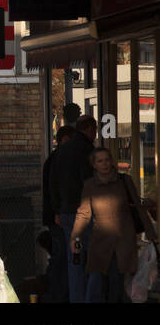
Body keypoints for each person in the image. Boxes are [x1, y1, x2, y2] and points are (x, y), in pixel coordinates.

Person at [72, 148, 157, 302]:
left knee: (117, 282)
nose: (104, 164)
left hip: (123, 239)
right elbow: (84, 214)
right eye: (100, 161)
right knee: (100, 283)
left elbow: (138, 208)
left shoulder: (124, 181)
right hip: (101, 241)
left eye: (107, 159)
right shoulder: (90, 185)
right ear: (94, 165)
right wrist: (75, 237)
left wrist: (151, 234)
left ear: (111, 161)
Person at [51, 115, 97, 303]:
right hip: (86, 215)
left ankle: (77, 298)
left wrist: (57, 210)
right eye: (95, 129)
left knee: (75, 259)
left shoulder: (62, 152)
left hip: (68, 215)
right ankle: (92, 298)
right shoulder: (86, 151)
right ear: (90, 129)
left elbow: (52, 182)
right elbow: (89, 183)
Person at [42, 125, 75, 302]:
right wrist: (58, 212)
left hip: (56, 216)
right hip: (59, 217)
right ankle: (59, 293)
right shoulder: (60, 161)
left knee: (60, 255)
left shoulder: (53, 160)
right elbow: (54, 190)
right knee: (62, 255)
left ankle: (58, 293)